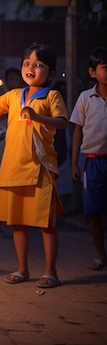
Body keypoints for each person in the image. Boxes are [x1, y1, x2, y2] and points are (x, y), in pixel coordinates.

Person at [0, 43, 68, 288]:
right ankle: (22, 269)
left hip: (40, 167)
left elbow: (62, 122)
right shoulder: (13, 96)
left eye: (39, 65)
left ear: (50, 73)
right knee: (17, 223)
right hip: (12, 168)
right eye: (27, 63)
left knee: (46, 224)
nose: (31, 68)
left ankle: (51, 272)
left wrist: (37, 116)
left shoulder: (52, 96)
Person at [70, 46, 107, 271]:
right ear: (93, 72)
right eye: (105, 67)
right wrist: (74, 163)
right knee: (94, 213)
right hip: (93, 161)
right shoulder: (86, 98)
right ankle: (101, 255)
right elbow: (77, 131)